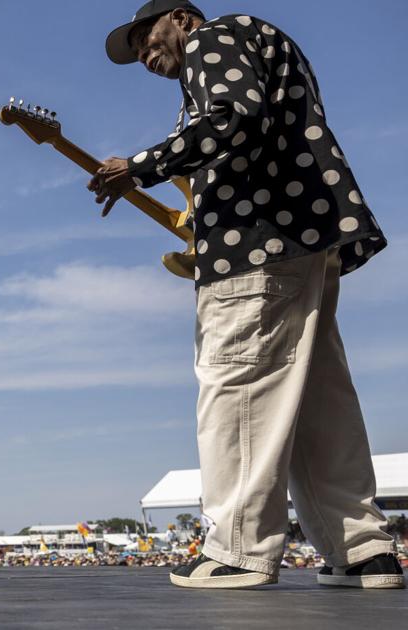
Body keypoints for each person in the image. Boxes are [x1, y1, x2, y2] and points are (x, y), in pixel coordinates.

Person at [88, 0, 401, 589]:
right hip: (300, 236)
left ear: (182, 18)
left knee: (236, 383)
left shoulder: (215, 39)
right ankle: (362, 551)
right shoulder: (258, 43)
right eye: (137, 53)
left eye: (147, 38)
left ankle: (237, 548)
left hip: (256, 242)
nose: (146, 56)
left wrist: (140, 166)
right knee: (317, 403)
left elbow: (233, 117)